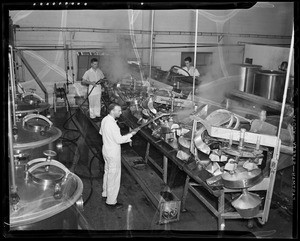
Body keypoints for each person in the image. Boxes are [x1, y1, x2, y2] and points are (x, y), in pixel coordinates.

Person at [99, 103, 139, 209]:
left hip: (106, 150)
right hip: (113, 153)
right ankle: (111, 202)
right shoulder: (113, 125)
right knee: (114, 177)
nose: (120, 113)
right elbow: (119, 140)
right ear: (112, 111)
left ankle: (105, 193)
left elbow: (101, 133)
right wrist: (131, 134)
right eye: (119, 111)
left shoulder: (105, 120)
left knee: (107, 172)